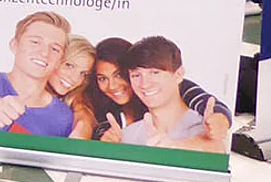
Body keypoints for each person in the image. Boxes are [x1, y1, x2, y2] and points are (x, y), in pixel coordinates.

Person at [87, 35, 233, 145]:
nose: (112, 86)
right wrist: (105, 142)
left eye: (118, 75)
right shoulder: (107, 110)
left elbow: (205, 102)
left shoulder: (176, 89)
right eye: (102, 78)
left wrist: (221, 118)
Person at [0, 33, 96, 138]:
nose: (75, 78)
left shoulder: (64, 114)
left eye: (83, 74)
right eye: (69, 65)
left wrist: (83, 125)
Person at [0, 11, 76, 136]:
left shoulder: (63, 116)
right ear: (14, 45)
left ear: (60, 61)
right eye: (35, 42)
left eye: (55, 49)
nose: (45, 53)